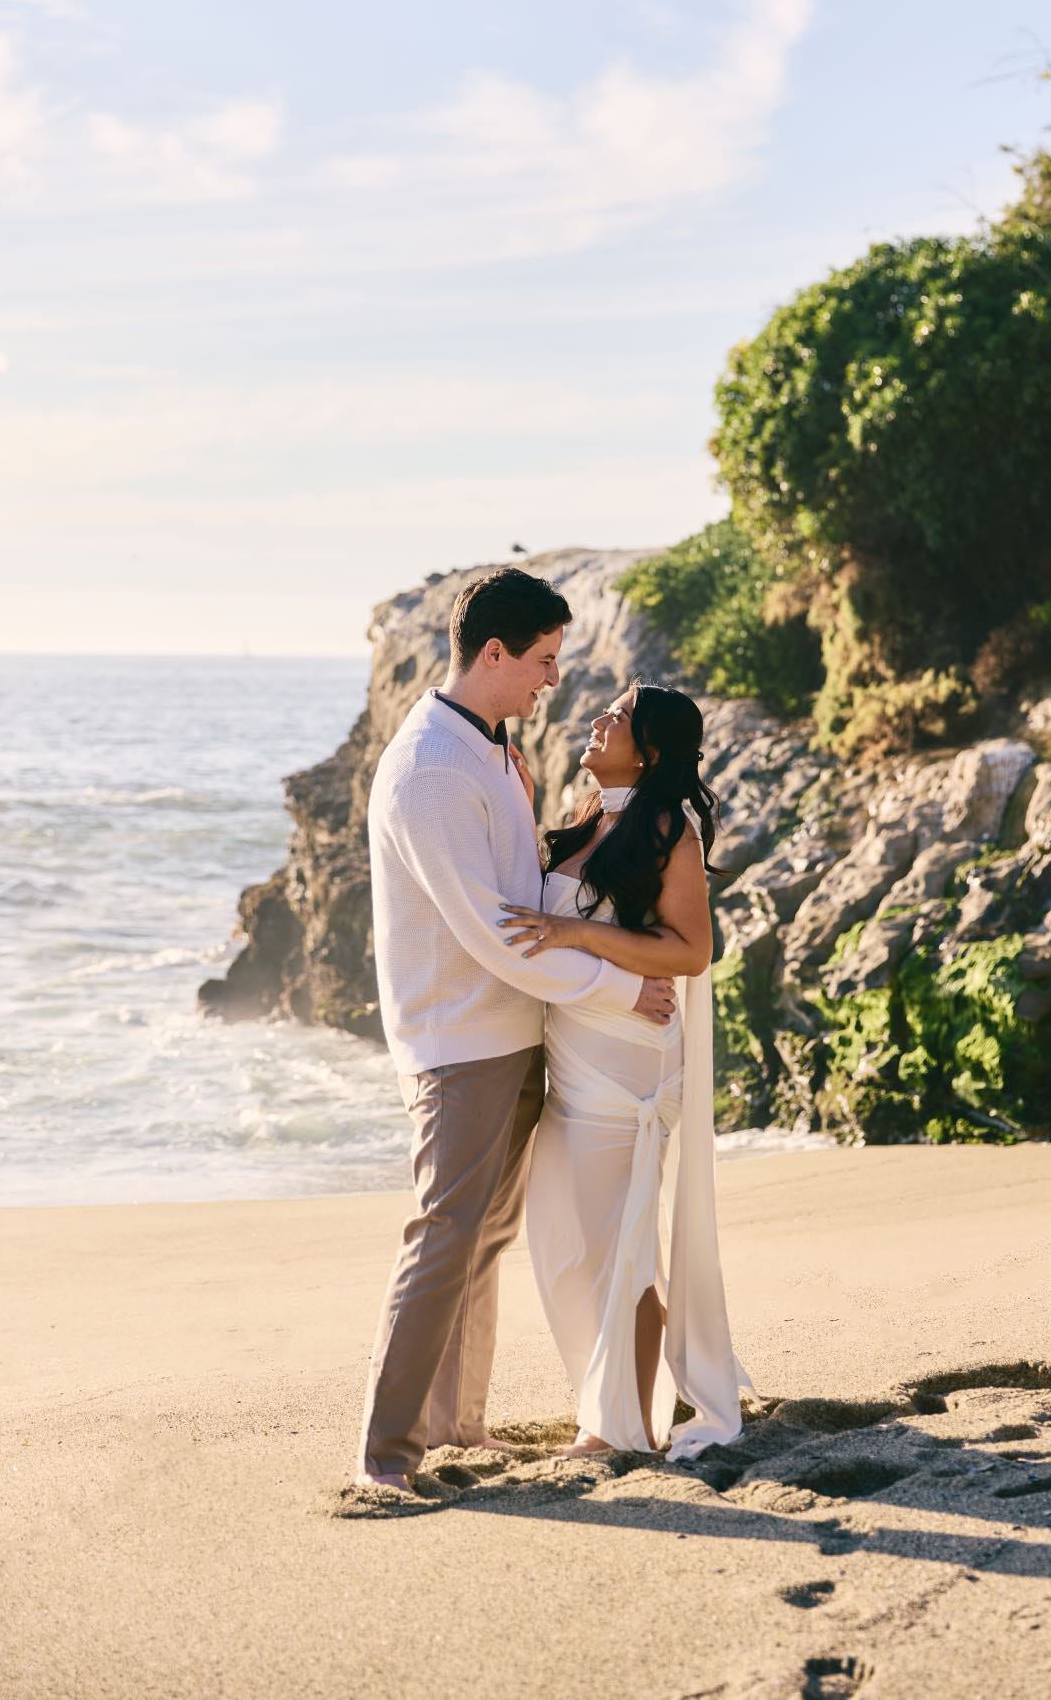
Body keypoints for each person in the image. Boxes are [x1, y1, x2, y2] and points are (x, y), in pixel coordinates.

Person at [356, 571, 678, 1494]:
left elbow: (523, 898)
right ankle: (385, 1458)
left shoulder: (491, 749)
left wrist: (554, 842)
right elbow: (498, 939)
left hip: (514, 1035)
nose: (550, 681)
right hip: (459, 1043)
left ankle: (456, 1425)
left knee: (482, 1237)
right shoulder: (430, 770)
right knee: (444, 1236)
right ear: (492, 653)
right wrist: (621, 988)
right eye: (541, 662)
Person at [499, 681, 748, 1461]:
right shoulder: (582, 821)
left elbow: (691, 953)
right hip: (574, 1059)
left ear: (650, 748)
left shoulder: (670, 831)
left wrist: (575, 936)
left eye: (620, 714)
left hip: (631, 1062)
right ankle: (608, 1399)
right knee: (564, 1235)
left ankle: (622, 1424)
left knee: (624, 1245)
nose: (601, 717)